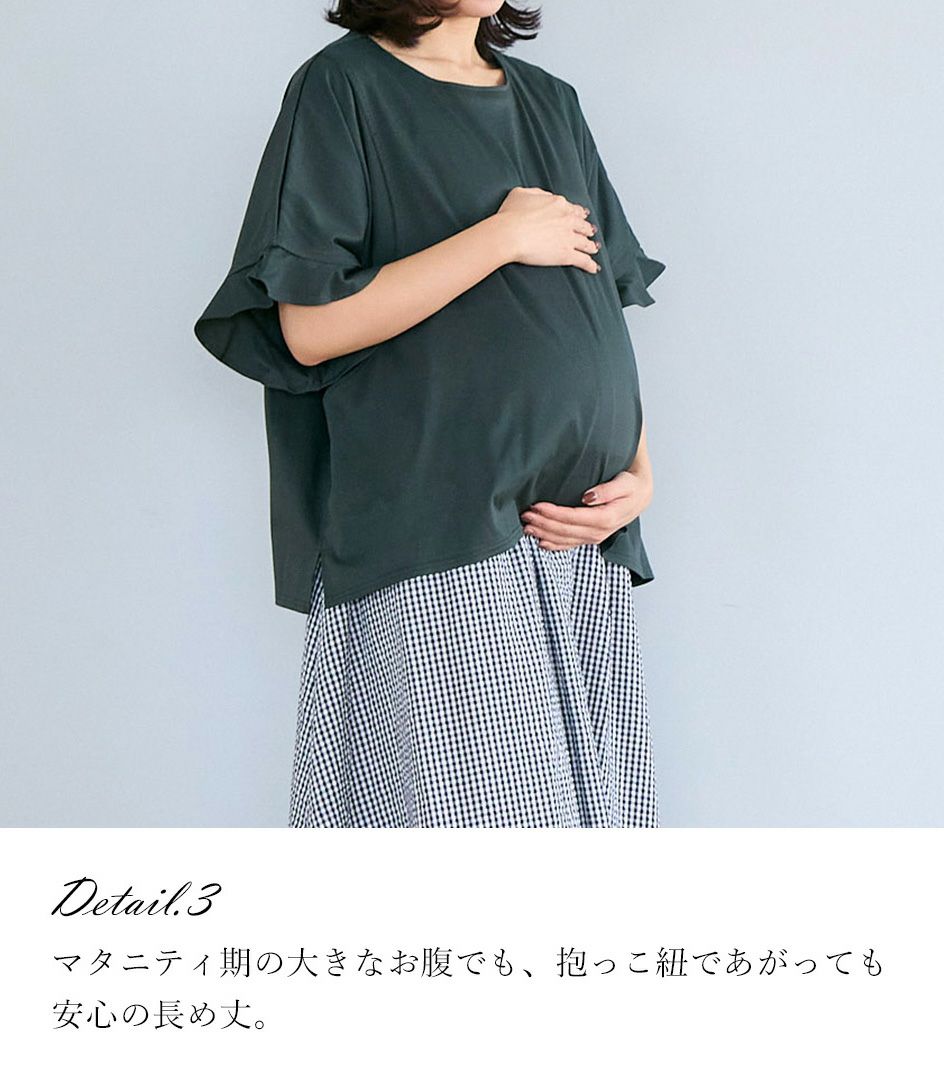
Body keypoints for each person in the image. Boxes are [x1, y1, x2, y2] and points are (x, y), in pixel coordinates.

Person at [193, 0, 666, 828]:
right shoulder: (343, 87)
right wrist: (499, 238)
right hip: (441, 525)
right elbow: (309, 328)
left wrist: (640, 473)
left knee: (597, 835)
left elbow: (601, 304)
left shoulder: (551, 100)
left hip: (576, 538)